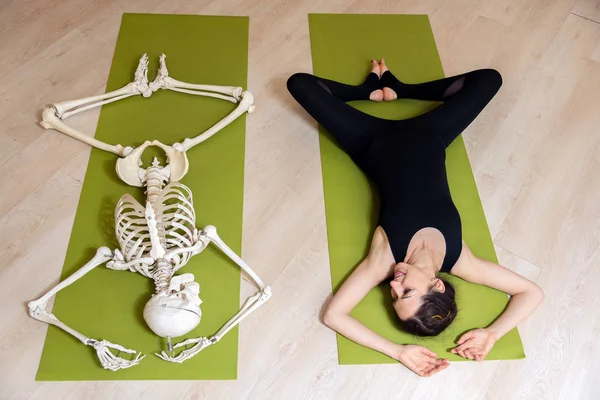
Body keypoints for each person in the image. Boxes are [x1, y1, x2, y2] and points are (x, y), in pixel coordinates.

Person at [286, 59, 544, 377]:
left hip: (369, 139)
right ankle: (401, 89)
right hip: (432, 135)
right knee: (489, 78)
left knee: (300, 83)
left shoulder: (384, 261)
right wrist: (492, 334)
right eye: (406, 291)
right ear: (436, 284)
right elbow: (532, 292)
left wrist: (397, 351)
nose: (394, 285)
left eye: (393, 297)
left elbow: (334, 315)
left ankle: (367, 92)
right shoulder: (462, 261)